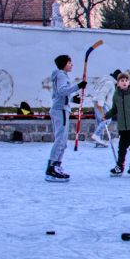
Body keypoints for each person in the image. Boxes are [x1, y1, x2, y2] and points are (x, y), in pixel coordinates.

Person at [45, 54, 86, 182]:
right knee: (60, 140)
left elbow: (58, 94)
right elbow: (62, 91)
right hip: (60, 110)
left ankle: (56, 165)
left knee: (63, 141)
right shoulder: (61, 75)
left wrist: (72, 99)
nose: (71, 64)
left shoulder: (61, 75)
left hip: (62, 109)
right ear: (64, 64)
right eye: (69, 62)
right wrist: (78, 86)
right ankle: (51, 167)